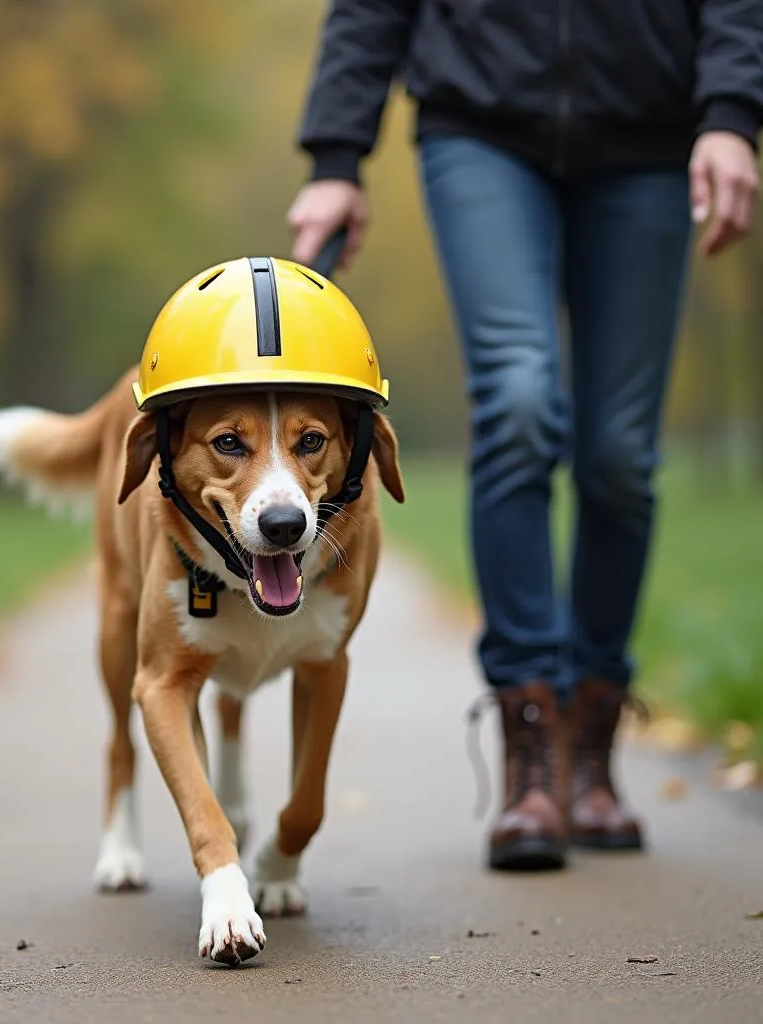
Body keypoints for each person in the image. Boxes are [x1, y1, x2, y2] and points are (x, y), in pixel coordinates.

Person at [288, 0, 762, 871]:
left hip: (651, 130)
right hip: (481, 119)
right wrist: (336, 152)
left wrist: (733, 110)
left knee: (619, 451)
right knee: (516, 400)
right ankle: (532, 742)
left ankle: (593, 737)